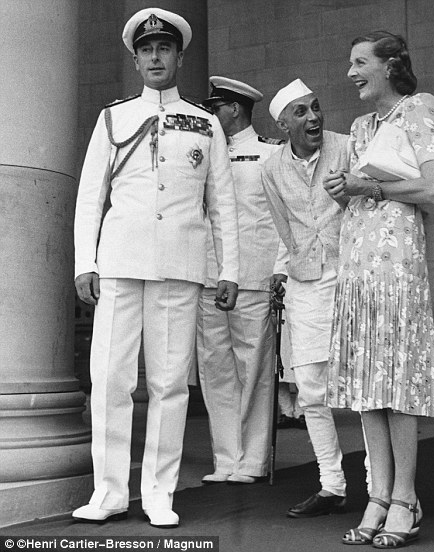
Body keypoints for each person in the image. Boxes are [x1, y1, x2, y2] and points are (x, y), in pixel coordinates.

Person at [72, 8, 239, 528]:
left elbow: (223, 205)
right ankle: (109, 492)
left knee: (169, 383)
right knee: (110, 378)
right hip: (120, 263)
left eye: (163, 49)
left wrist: (228, 269)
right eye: (146, 50)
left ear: (179, 56)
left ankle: (160, 492)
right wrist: (86, 261)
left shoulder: (206, 122)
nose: (155, 57)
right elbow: (89, 197)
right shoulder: (113, 118)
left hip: (180, 265)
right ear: (136, 58)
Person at [324, 31, 434, 547]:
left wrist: (367, 186)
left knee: (397, 387)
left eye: (360, 62)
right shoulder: (359, 126)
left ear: (390, 64)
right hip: (357, 270)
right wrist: (340, 191)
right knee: (367, 391)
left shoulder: (420, 107)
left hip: (397, 269)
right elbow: (355, 195)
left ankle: (405, 497)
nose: (351, 72)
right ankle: (378, 495)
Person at [261, 78, 349, 517]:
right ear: (283, 124)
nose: (313, 117)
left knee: (363, 389)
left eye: (315, 108)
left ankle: (380, 486)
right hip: (307, 282)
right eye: (301, 112)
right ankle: (332, 486)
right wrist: (283, 270)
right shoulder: (271, 167)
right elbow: (285, 227)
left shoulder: (348, 147)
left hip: (353, 274)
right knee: (312, 390)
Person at [197, 76, 284, 484]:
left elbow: (283, 220)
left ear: (233, 109)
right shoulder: (202, 156)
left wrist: (279, 270)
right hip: (208, 277)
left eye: (215, 108)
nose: (211, 115)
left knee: (255, 371)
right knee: (216, 370)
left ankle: (253, 460)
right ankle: (226, 458)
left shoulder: (270, 155)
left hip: (252, 276)